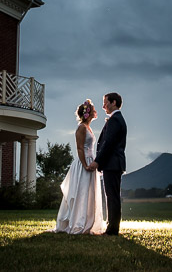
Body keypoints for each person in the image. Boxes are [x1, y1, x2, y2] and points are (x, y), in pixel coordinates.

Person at [52, 99, 107, 235]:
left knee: (89, 193)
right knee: (81, 192)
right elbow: (80, 148)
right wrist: (85, 165)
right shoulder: (81, 128)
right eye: (94, 109)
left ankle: (89, 221)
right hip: (83, 164)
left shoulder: (88, 127)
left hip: (91, 162)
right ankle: (78, 222)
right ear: (88, 113)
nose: (96, 112)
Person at [87, 92, 126, 236]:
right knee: (112, 196)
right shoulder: (115, 119)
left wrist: (97, 162)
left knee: (112, 196)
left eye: (105, 102)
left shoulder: (115, 120)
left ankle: (112, 229)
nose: (103, 106)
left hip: (112, 164)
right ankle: (112, 227)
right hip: (113, 164)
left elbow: (108, 143)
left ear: (113, 102)